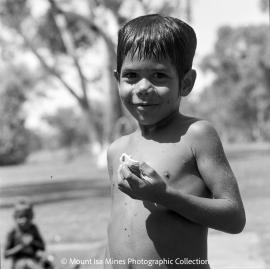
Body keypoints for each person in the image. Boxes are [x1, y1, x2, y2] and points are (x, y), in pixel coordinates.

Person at [105, 14, 246, 269]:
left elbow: (234, 217)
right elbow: (117, 225)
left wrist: (166, 196)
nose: (143, 87)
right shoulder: (117, 150)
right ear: (117, 79)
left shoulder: (196, 135)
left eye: (159, 75)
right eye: (131, 75)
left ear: (186, 83)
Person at [4, 199, 54, 269]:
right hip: (18, 263)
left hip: (33, 260)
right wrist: (21, 246)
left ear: (32, 216)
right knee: (24, 264)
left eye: (27, 216)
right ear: (15, 217)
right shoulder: (12, 232)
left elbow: (42, 247)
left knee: (47, 261)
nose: (24, 220)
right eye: (21, 217)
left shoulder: (33, 228)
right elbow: (6, 255)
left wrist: (32, 242)